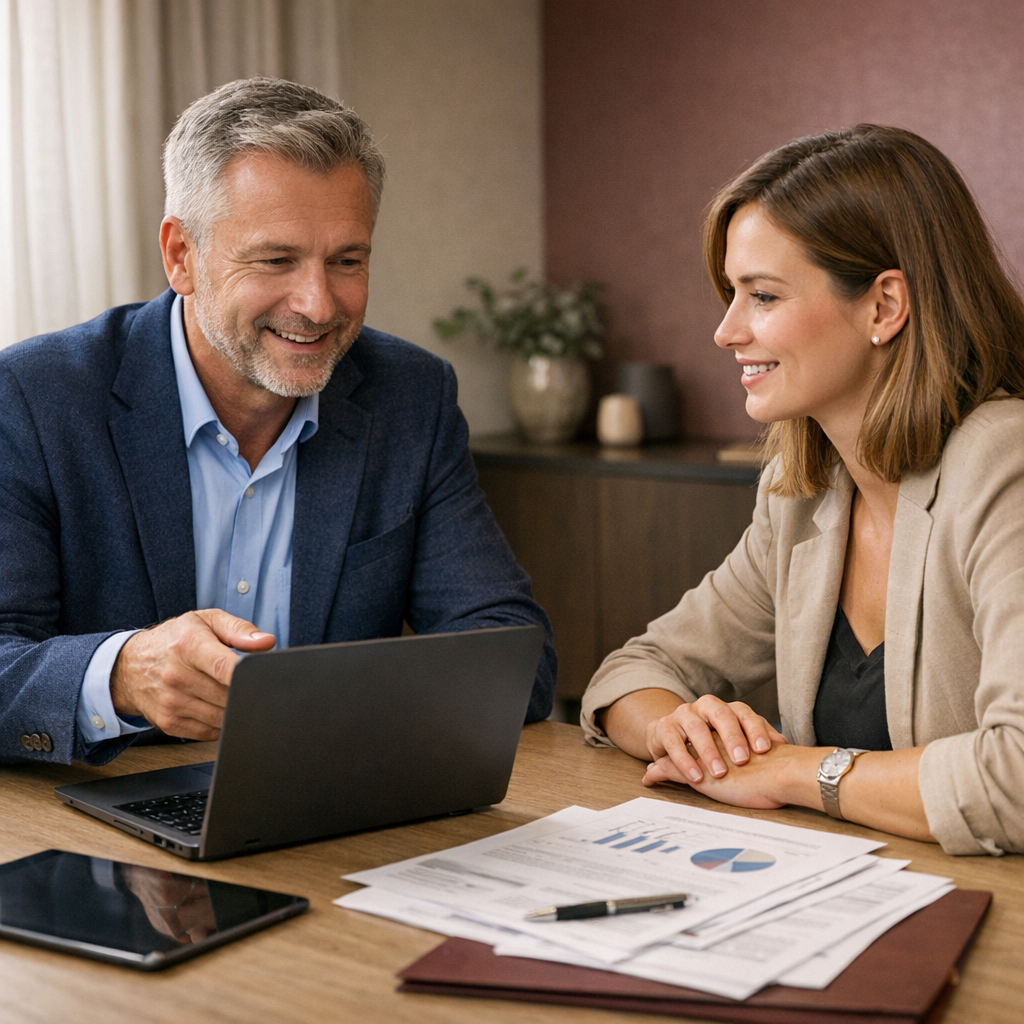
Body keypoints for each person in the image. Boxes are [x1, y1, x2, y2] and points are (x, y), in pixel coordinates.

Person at [0, 77, 556, 766]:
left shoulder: (410, 397)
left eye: (347, 261)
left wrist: (311, 711)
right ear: (182, 257)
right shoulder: (33, 395)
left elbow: (513, 656)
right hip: (96, 826)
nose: (318, 305)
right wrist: (121, 675)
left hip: (327, 806)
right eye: (276, 260)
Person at [581, 124, 1024, 857]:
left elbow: (1014, 777)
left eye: (761, 296)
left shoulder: (1002, 462)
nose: (725, 331)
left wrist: (793, 772)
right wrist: (680, 730)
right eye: (731, 294)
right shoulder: (803, 493)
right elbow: (633, 671)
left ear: (884, 306)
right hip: (856, 898)